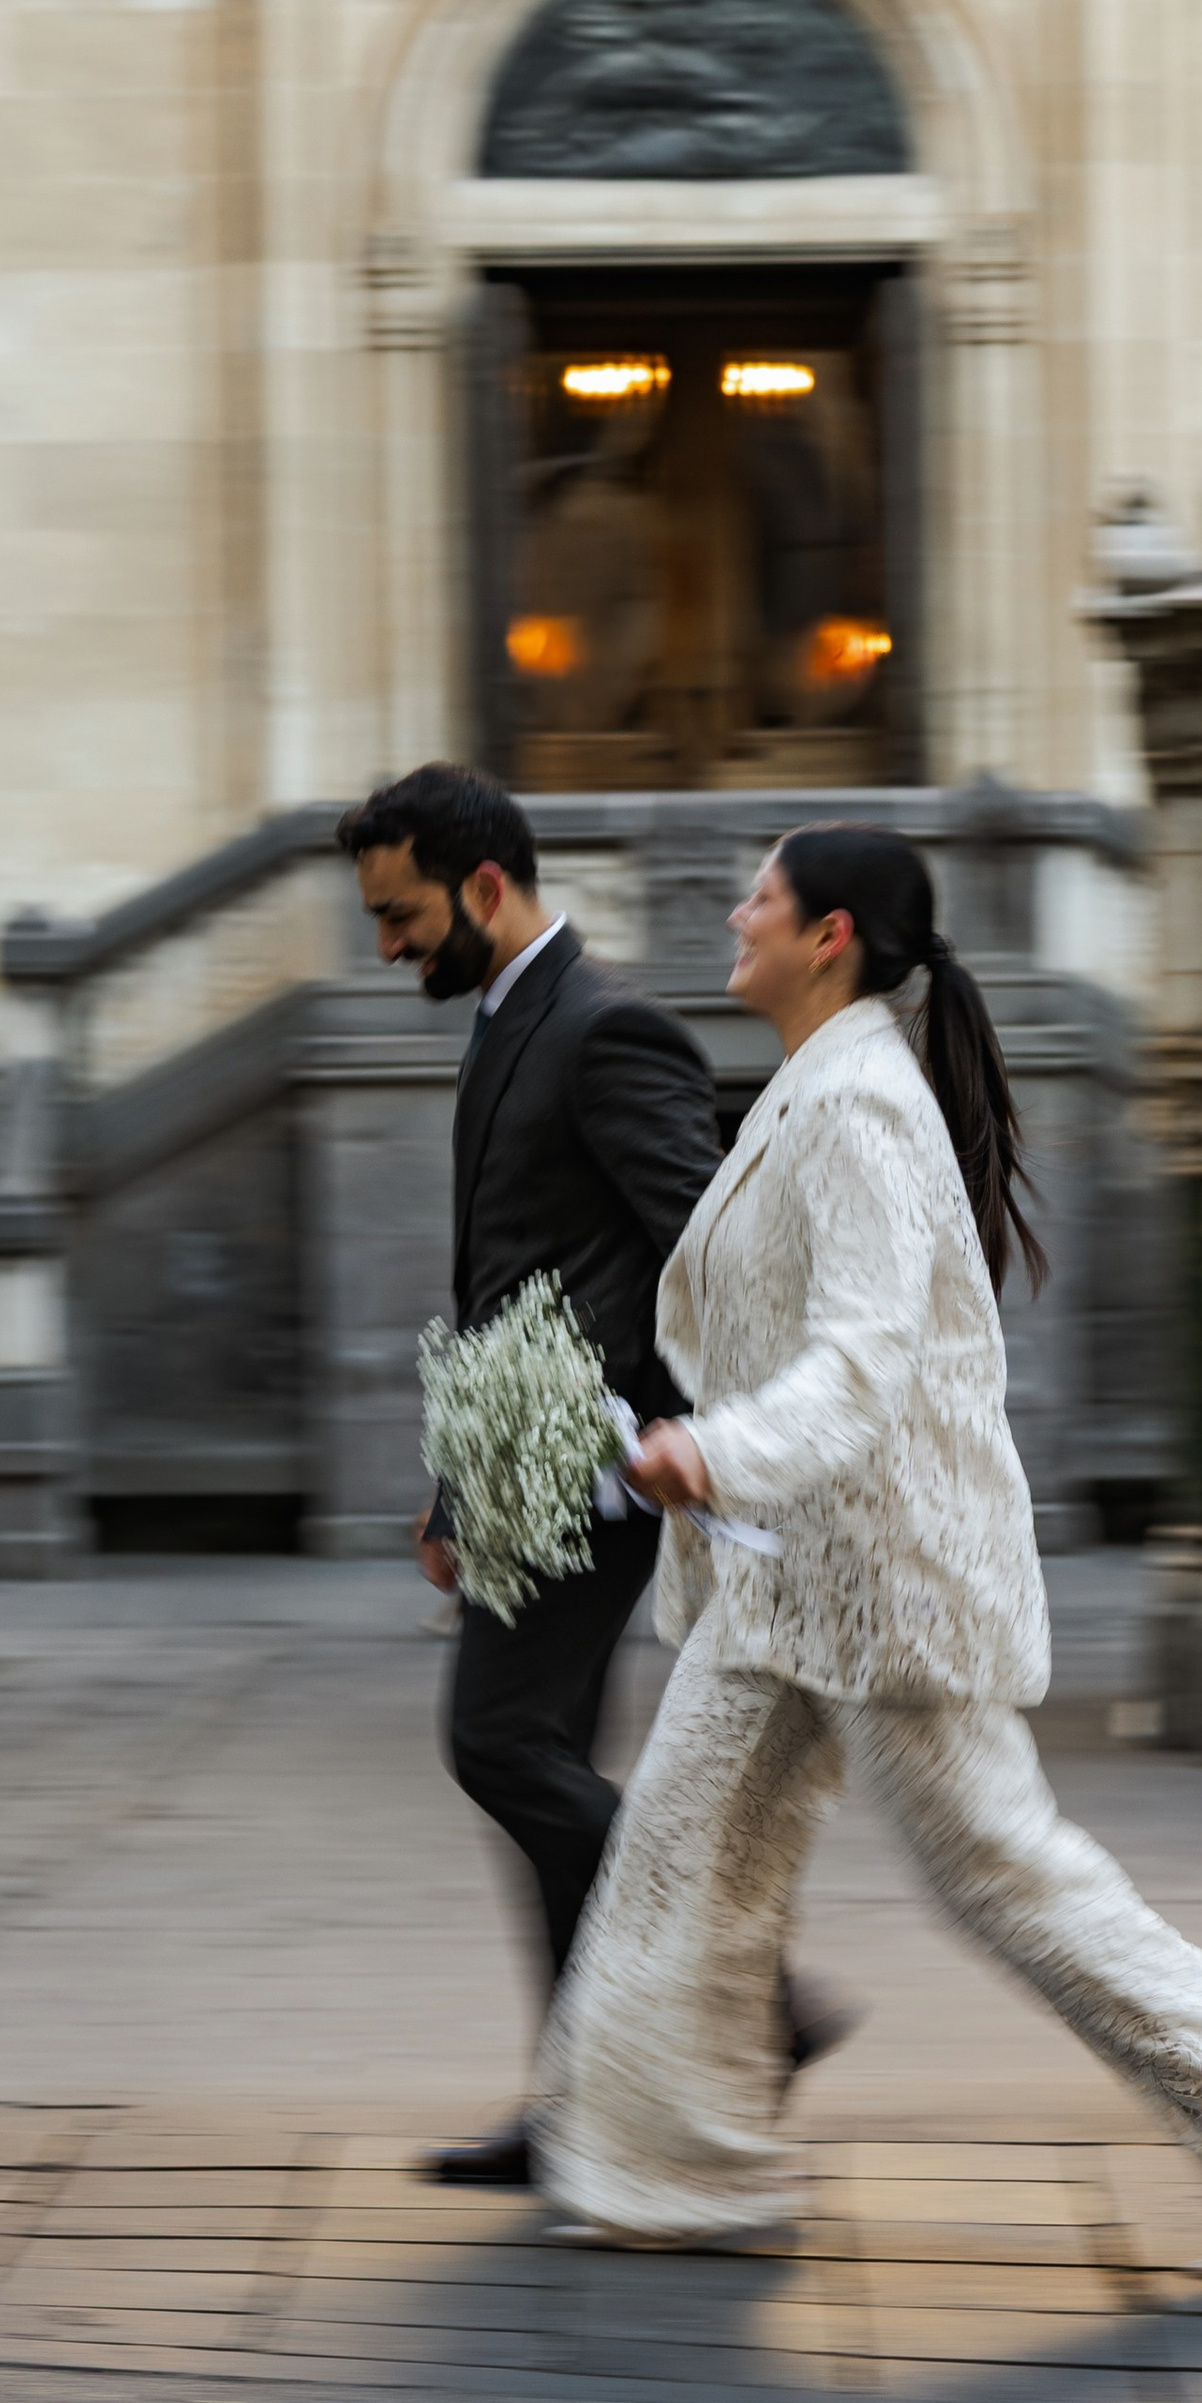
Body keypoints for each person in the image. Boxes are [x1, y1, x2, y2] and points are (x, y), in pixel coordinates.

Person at [535, 824, 1202, 2276]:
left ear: (830, 938)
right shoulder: (816, 1084)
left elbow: (864, 1357)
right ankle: (668, 2171)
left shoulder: (861, 1103)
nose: (736, 914)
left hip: (887, 1582)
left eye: (762, 895)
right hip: (783, 1574)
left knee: (999, 1874)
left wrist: (717, 1449)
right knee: (680, 1854)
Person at [342, 764, 752, 2187]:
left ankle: (747, 1989)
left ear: (486, 886)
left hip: (594, 1471)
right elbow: (512, 1278)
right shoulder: (512, 1018)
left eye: (402, 915)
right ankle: (582, 2104)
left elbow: (705, 1247)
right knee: (546, 1784)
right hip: (522, 1470)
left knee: (500, 1748)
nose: (387, 946)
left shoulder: (606, 1026)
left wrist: (661, 1437)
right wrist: (462, 1483)